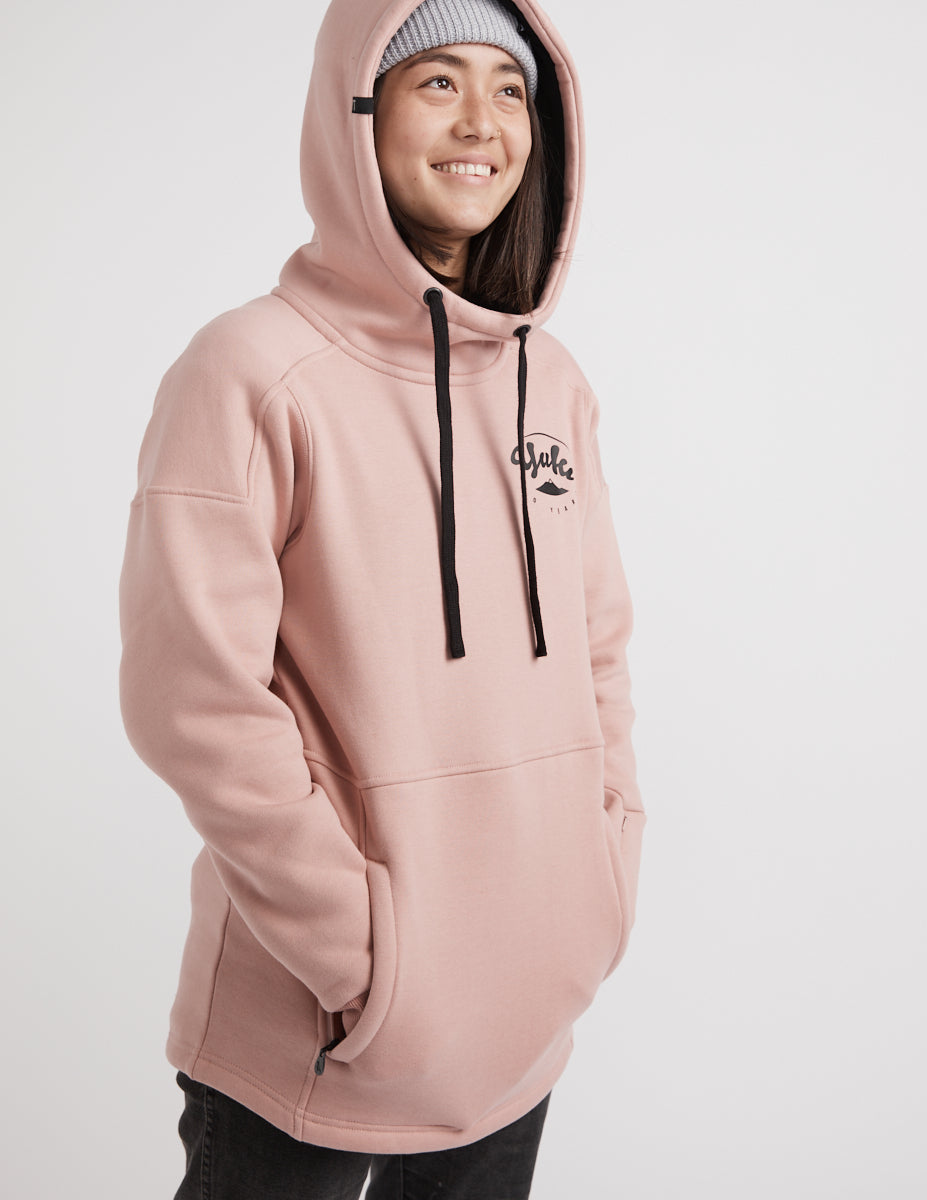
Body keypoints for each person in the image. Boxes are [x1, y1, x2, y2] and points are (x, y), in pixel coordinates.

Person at [119, 0, 646, 1194]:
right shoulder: (253, 370)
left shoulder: (552, 384)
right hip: (320, 1031)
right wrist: (363, 955)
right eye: (438, 81)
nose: (483, 123)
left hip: (522, 1021)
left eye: (510, 90)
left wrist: (599, 875)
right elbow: (194, 698)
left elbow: (598, 651)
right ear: (357, 112)